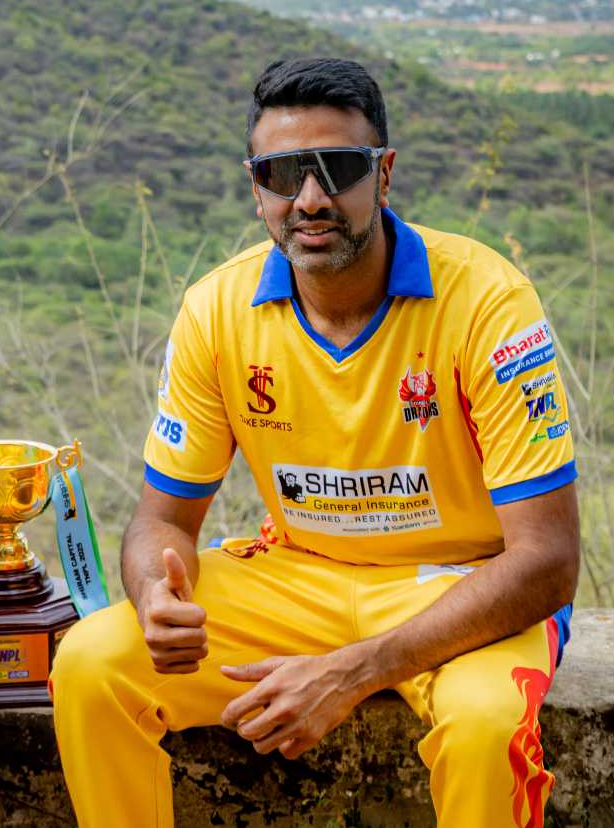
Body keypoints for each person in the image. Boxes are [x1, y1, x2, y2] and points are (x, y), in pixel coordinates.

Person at [50, 57, 579, 827]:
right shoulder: (216, 309)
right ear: (254, 187)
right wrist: (154, 596)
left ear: (383, 174)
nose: (309, 198)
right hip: (300, 576)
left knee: (485, 726)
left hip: (462, 584)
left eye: (337, 168)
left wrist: (353, 672)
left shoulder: (487, 300)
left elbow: (548, 561)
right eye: (281, 174)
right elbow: (161, 521)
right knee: (93, 664)